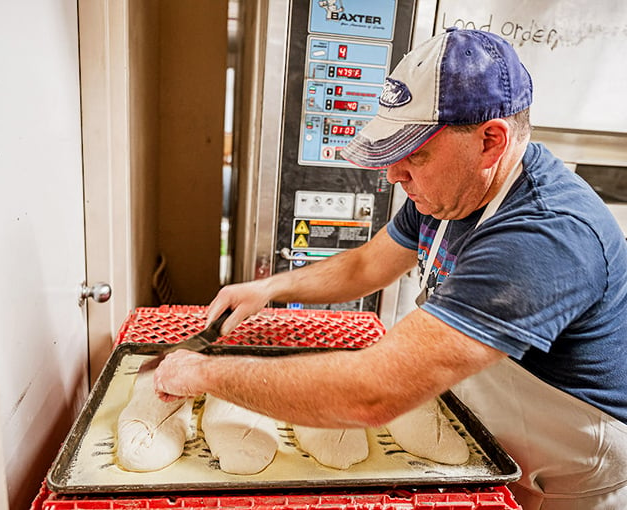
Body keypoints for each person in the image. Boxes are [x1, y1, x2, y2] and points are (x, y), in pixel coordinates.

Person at [153, 28, 627, 509]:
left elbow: (372, 394)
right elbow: (366, 264)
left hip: (567, 475)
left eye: (414, 154)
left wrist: (205, 375)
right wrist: (269, 289)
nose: (394, 175)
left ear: (490, 141)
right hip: (486, 433)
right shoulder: (454, 191)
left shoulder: (542, 238)